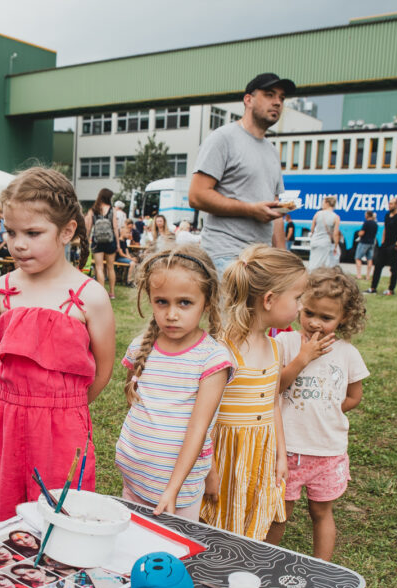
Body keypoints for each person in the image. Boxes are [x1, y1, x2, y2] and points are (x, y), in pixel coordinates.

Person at [0, 167, 116, 527]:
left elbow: (102, 371)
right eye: (10, 232)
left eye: (33, 233)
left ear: (67, 231)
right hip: (6, 423)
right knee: (3, 519)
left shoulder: (91, 297)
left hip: (63, 428)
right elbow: (3, 358)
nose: (18, 244)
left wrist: (63, 405)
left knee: (61, 521)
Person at [115, 245, 234, 520]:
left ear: (207, 301)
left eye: (184, 303)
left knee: (169, 548)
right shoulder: (140, 347)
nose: (171, 314)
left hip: (176, 493)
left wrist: (173, 489)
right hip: (134, 478)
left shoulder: (212, 359)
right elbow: (136, 405)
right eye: (162, 302)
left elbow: (199, 429)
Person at [201, 245, 306, 543]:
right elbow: (204, 418)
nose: (300, 306)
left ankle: (250, 563)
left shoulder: (275, 347)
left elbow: (273, 404)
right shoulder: (223, 349)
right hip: (227, 456)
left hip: (261, 453)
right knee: (221, 525)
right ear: (269, 300)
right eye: (297, 298)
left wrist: (281, 455)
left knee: (259, 518)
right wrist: (209, 470)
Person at [274, 268, 368, 560]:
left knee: (321, 511)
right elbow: (275, 387)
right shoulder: (285, 344)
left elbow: (354, 396)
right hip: (287, 450)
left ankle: (322, 567)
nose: (314, 322)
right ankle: (264, 561)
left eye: (326, 318)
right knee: (279, 512)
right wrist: (302, 359)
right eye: (309, 313)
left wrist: (326, 411)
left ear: (344, 318)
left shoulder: (347, 353)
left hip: (327, 451)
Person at [188, 73, 295, 274]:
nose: (277, 102)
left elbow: (276, 212)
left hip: (260, 262)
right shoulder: (223, 138)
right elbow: (196, 195)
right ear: (248, 100)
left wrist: (284, 262)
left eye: (281, 98)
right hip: (226, 258)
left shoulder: (272, 151)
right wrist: (250, 209)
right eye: (269, 95)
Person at [366, 198, 397, 296]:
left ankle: (391, 290)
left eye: (391, 204)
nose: (389, 205)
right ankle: (373, 288)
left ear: (396, 205)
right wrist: (383, 242)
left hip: (394, 246)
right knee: (378, 265)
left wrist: (396, 245)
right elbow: (385, 229)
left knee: (393, 268)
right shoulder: (387, 215)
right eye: (389, 203)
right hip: (385, 245)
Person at [86, 188, 118, 299]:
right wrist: (118, 243)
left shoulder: (93, 210)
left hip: (97, 241)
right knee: (110, 267)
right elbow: (115, 227)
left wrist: (86, 239)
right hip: (110, 240)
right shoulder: (112, 210)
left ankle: (102, 293)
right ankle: (112, 292)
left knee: (99, 267)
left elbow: (89, 228)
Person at [308, 197, 342, 269]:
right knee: (321, 264)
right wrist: (335, 246)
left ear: (327, 203)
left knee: (312, 262)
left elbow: (312, 229)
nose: (322, 204)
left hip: (315, 241)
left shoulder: (317, 214)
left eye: (323, 202)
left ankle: (309, 274)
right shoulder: (336, 217)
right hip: (325, 242)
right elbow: (335, 234)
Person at [354, 211, 377, 280]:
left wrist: (358, 233)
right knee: (369, 259)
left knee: (358, 258)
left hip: (364, 242)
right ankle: (368, 276)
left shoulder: (366, 223)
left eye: (365, 215)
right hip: (372, 243)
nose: (365, 216)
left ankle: (359, 275)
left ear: (367, 215)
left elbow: (362, 233)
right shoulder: (375, 224)